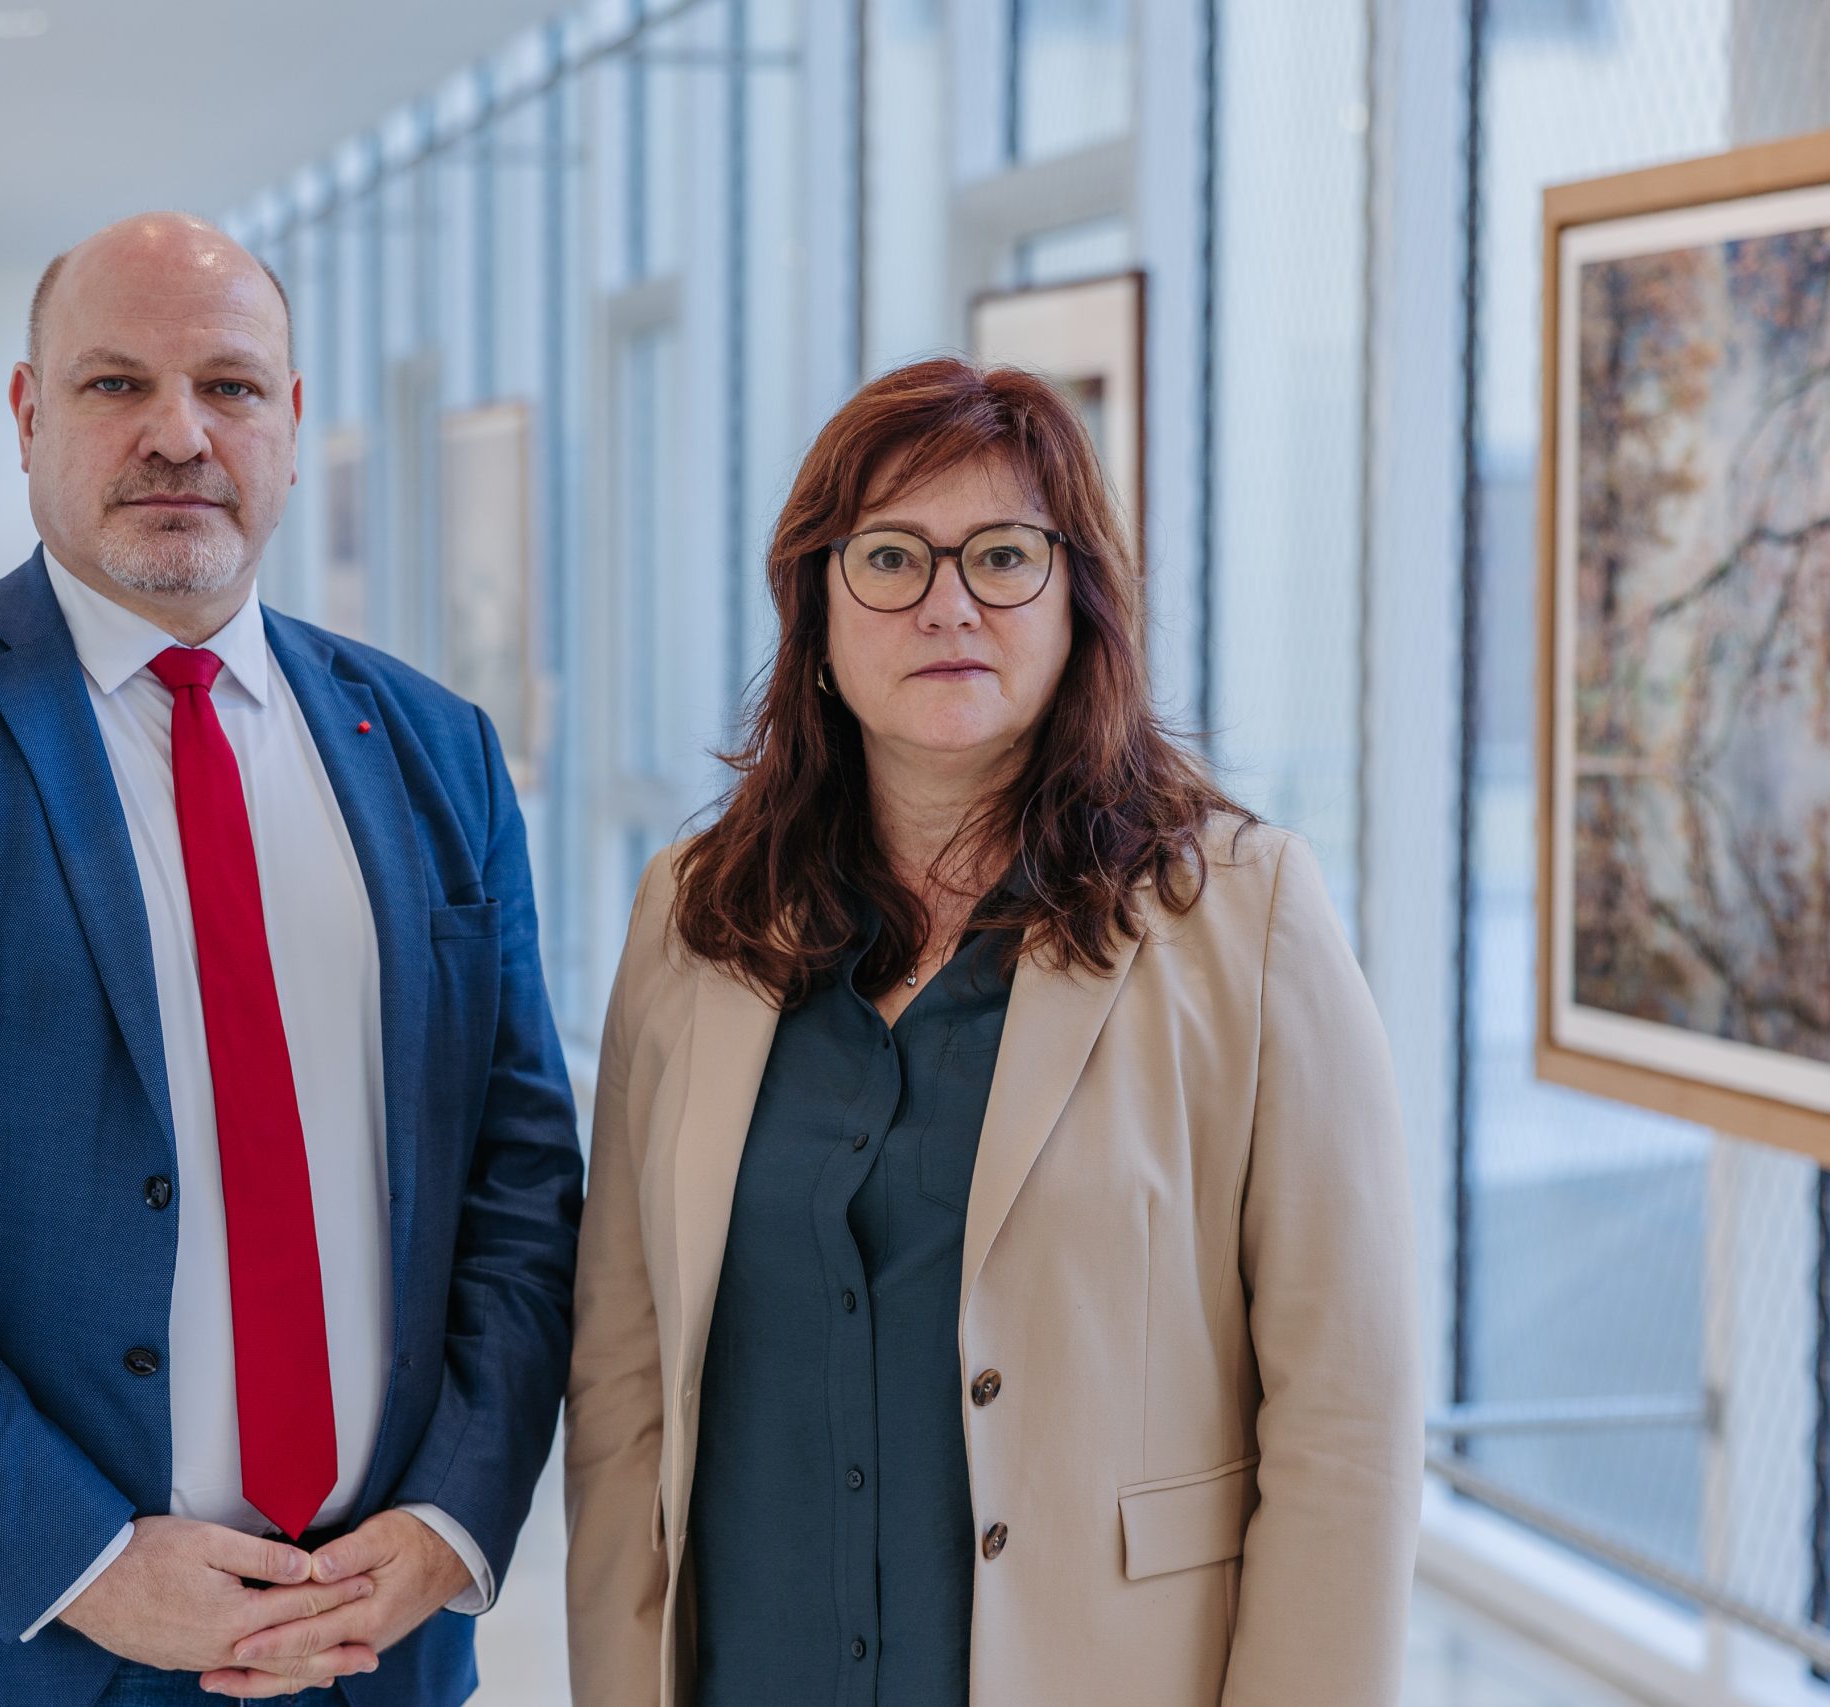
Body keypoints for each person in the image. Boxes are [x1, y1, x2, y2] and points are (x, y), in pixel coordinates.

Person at [0, 212, 582, 1707]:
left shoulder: (437, 750)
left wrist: (452, 1518)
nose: (180, 433)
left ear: (290, 424)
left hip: (365, 1641)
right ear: (29, 415)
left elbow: (520, 1178)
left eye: (230, 387)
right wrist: (86, 1561)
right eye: (117, 384)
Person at [563, 356, 1422, 1705]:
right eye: (890, 557)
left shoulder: (1241, 917)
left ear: (1080, 605)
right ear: (817, 613)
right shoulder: (695, 916)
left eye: (1005, 556)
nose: (948, 604)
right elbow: (621, 1380)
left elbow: (1346, 1417)